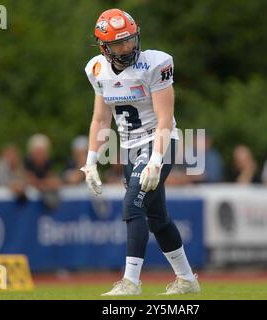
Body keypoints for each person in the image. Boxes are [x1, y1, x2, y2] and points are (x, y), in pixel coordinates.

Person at [81, 9, 199, 296]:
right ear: (103, 47)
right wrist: (91, 161)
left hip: (160, 142)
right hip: (130, 148)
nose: (126, 48)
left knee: (133, 206)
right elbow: (100, 119)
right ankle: (187, 280)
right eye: (118, 44)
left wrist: (156, 161)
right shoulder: (96, 69)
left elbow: (164, 118)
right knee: (158, 219)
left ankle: (130, 282)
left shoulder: (155, 64)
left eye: (129, 40)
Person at [24, 134, 61, 209]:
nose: (41, 155)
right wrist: (45, 184)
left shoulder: (48, 163)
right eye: (38, 152)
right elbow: (30, 180)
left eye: (43, 152)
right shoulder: (27, 163)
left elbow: (55, 182)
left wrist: (41, 183)